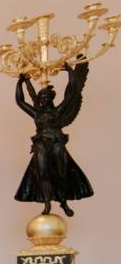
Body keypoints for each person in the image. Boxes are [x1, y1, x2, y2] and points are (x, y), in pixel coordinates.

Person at [14, 60, 93, 216]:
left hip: (57, 143)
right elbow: (20, 101)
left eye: (46, 98)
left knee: (61, 173)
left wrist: (70, 72)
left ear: (51, 99)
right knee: (43, 173)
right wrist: (20, 83)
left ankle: (63, 201)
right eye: (42, 98)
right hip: (41, 145)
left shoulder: (58, 111)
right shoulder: (37, 114)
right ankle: (47, 203)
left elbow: (72, 93)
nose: (44, 100)